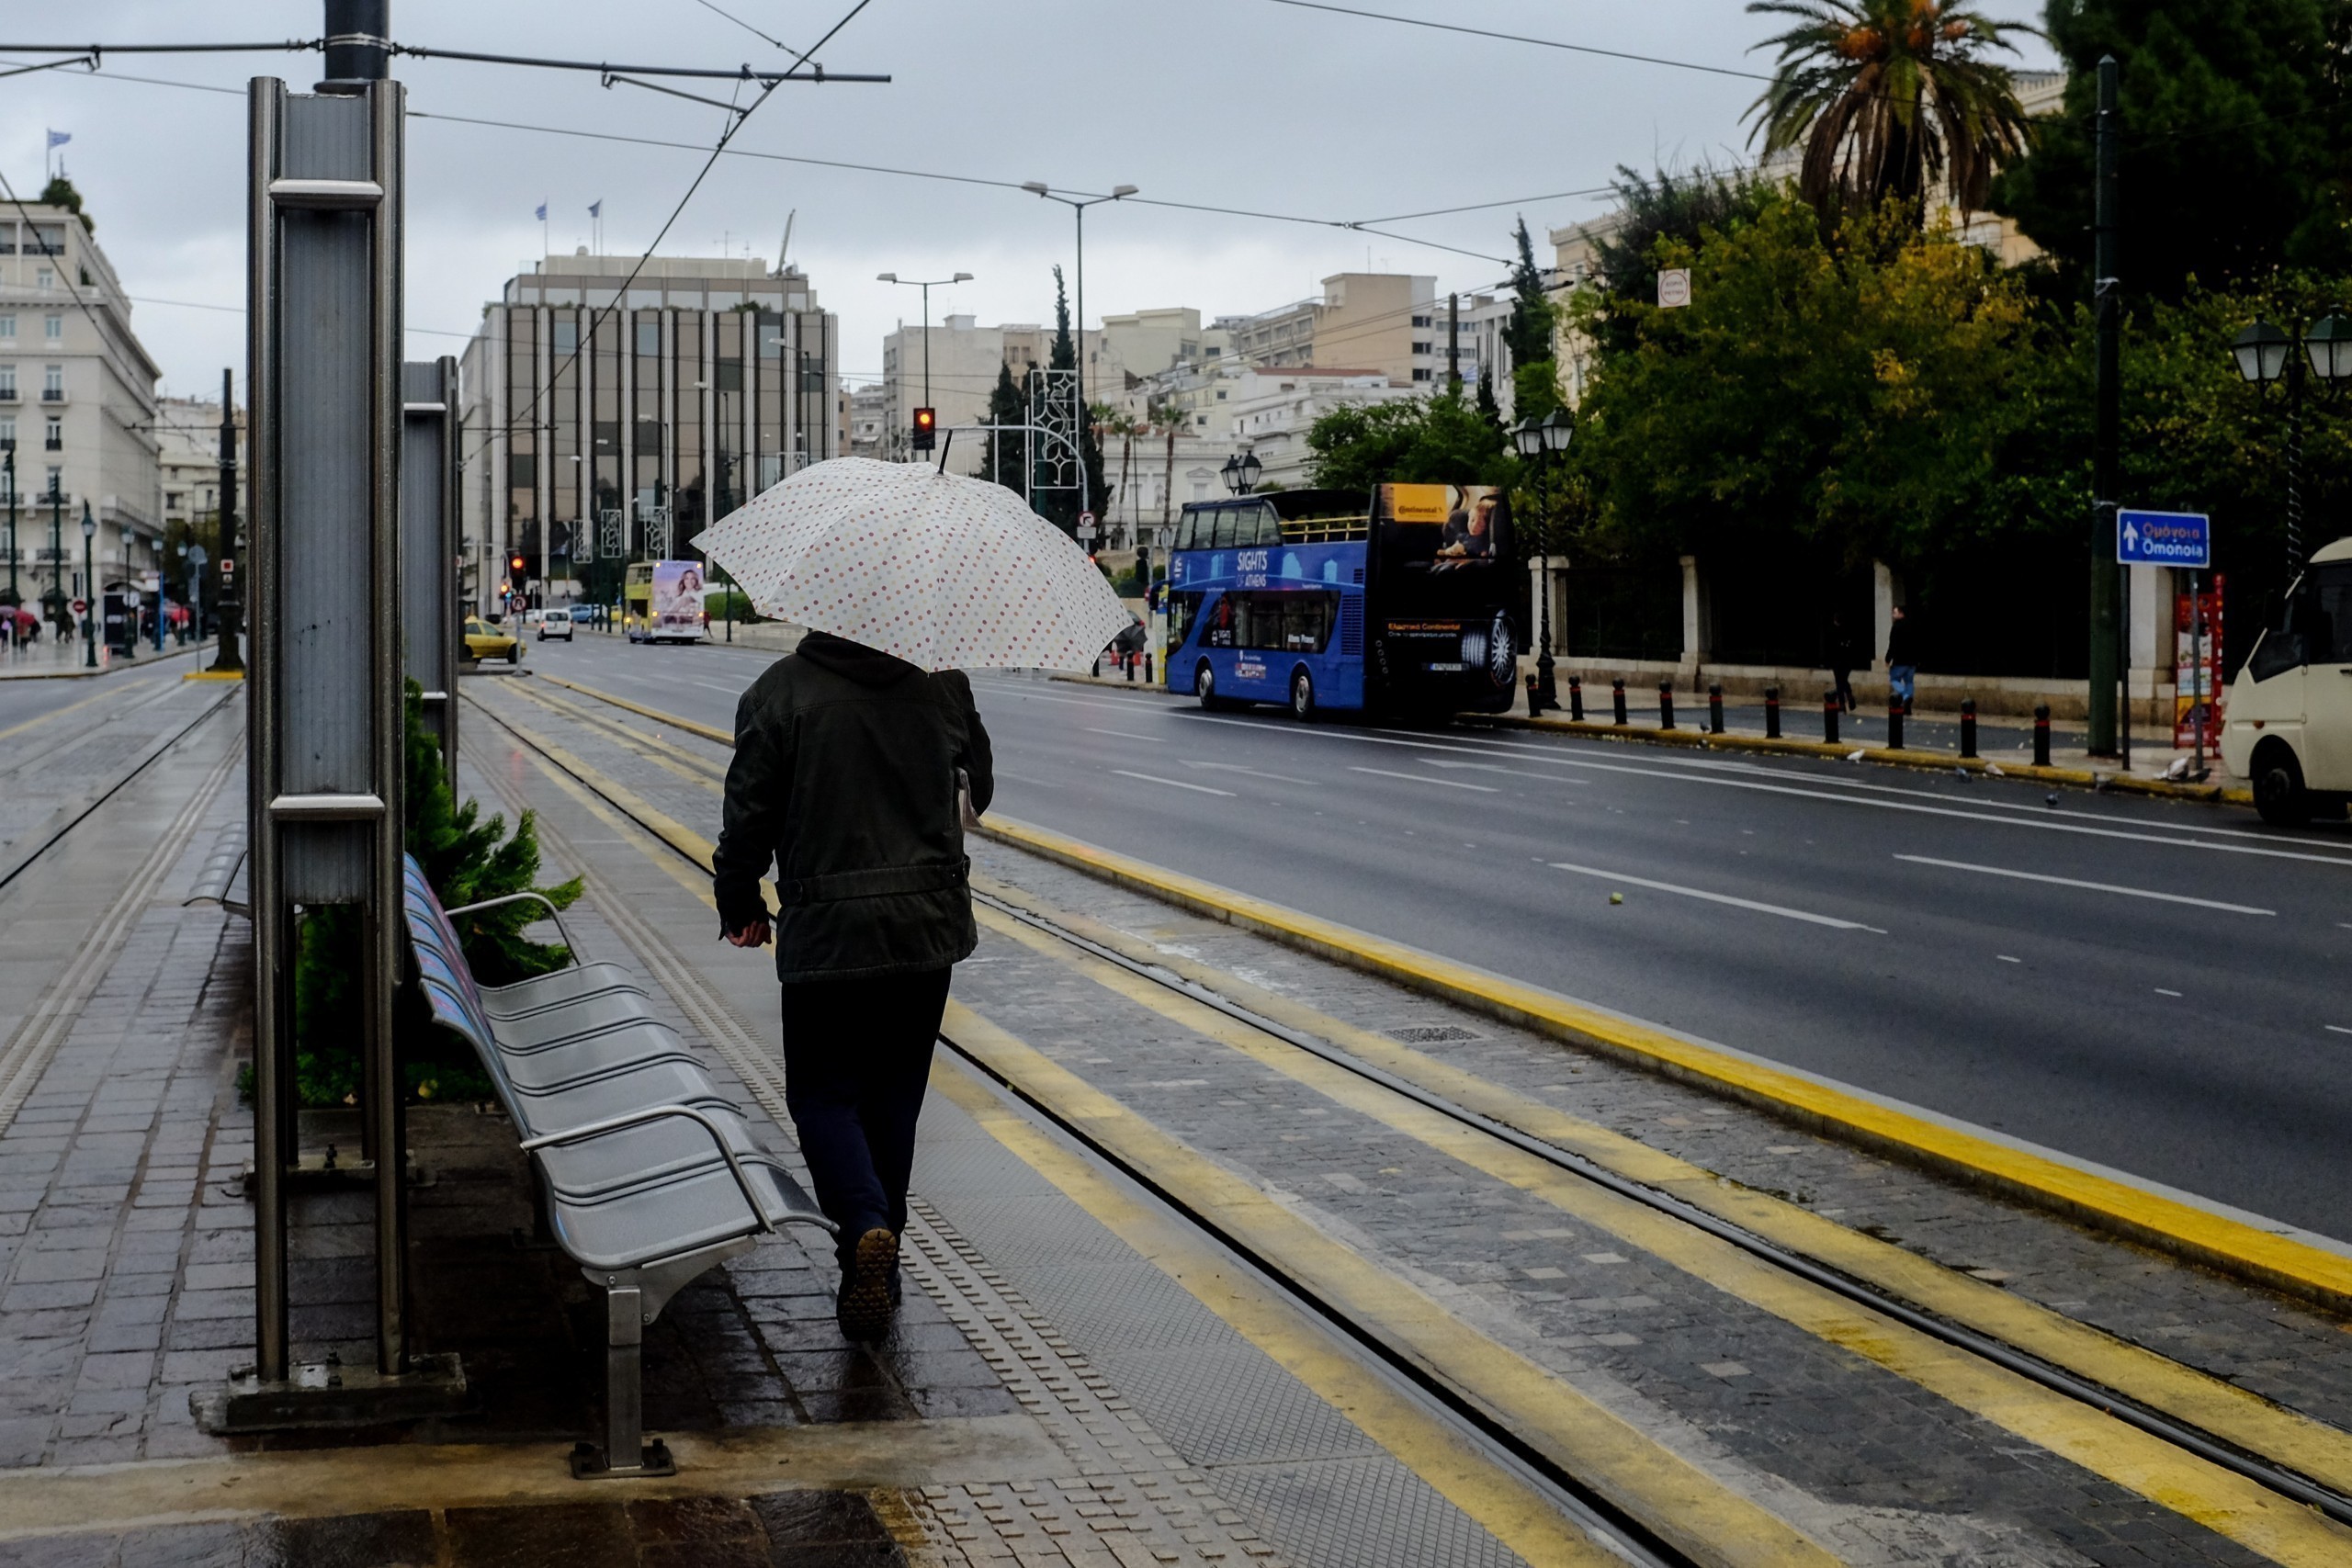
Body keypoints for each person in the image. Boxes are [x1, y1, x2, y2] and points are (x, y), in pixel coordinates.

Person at [712, 628, 994, 1343]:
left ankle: (865, 1228)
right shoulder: (943, 684)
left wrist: (739, 902)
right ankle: (878, 1263)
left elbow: (748, 816)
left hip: (829, 935)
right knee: (894, 1097)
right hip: (926, 931)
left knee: (823, 1094)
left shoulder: (778, 693)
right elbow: (981, 790)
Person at [1884, 604, 1917, 716]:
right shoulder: (1912, 625)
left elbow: (1893, 644)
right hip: (1912, 660)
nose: (1893, 615)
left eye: (1895, 612)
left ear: (1901, 613)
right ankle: (1908, 704)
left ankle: (1906, 697)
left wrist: (1888, 658)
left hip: (1900, 659)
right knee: (1909, 681)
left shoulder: (1896, 627)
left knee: (1894, 679)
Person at [1827, 610, 1857, 714]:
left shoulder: (1832, 632)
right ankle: (1849, 697)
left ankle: (1842, 704)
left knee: (1839, 682)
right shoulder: (1848, 631)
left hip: (1837, 661)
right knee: (1843, 680)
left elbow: (1830, 649)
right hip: (1848, 661)